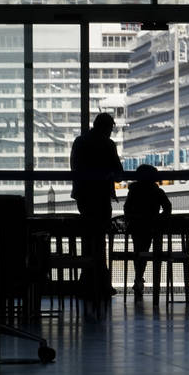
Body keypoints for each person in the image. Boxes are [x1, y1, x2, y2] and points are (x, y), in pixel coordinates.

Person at [70, 112, 124, 304]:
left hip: (84, 197)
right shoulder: (107, 145)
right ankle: (101, 282)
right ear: (107, 128)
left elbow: (74, 168)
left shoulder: (80, 142)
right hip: (101, 197)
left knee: (87, 238)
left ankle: (87, 280)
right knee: (100, 240)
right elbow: (118, 173)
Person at [123, 164, 173, 298]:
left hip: (136, 226)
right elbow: (167, 207)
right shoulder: (157, 191)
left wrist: (132, 218)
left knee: (138, 251)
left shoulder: (133, 191)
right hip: (152, 226)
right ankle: (140, 279)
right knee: (148, 252)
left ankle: (138, 278)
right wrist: (159, 219)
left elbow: (126, 208)